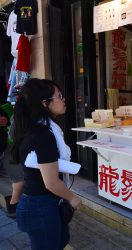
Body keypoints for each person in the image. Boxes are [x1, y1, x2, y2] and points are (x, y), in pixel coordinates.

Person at [11, 78, 82, 250]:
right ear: (45, 103)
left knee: (60, 242)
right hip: (40, 207)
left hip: (41, 203)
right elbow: (50, 182)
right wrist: (72, 197)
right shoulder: (42, 134)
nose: (63, 99)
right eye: (59, 96)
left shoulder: (34, 128)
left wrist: (15, 198)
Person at [0, 103, 24, 218]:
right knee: (18, 179)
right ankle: (14, 206)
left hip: (8, 147)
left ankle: (14, 205)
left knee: (17, 179)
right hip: (9, 149)